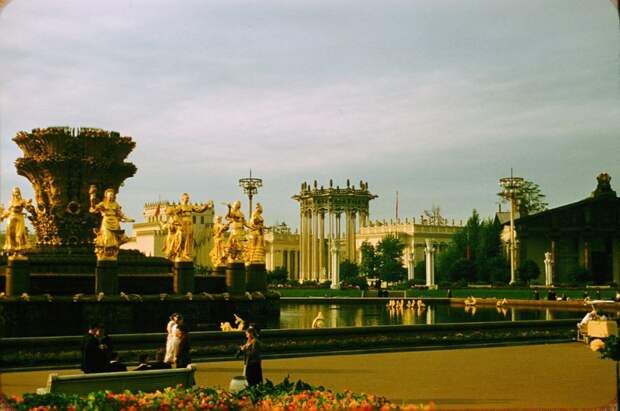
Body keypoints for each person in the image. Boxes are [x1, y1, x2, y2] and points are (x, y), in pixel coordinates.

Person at [89, 187, 134, 260]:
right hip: (106, 221)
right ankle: (105, 252)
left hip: (115, 222)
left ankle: (112, 253)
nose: (111, 197)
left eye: (112, 195)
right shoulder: (103, 204)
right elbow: (94, 208)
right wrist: (92, 199)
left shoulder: (115, 204)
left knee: (114, 239)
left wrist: (128, 219)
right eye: (110, 195)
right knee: (107, 237)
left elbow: (121, 214)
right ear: (106, 196)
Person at [173, 193, 213, 261]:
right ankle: (180, 253)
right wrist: (178, 222)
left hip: (190, 223)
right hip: (183, 223)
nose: (187, 199)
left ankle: (187, 254)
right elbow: (174, 214)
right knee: (183, 238)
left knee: (189, 238)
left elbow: (199, 210)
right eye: (186, 198)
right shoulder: (180, 207)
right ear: (182, 199)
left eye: (188, 198)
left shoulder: (190, 206)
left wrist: (206, 206)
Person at [0, 187, 35, 258]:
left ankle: (20, 252)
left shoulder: (22, 201)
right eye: (15, 192)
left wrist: (29, 206)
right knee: (11, 235)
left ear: (19, 192)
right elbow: (9, 211)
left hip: (19, 219)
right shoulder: (11, 202)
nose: (16, 193)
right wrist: (3, 216)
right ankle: (14, 253)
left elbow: (28, 208)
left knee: (19, 235)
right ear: (13, 193)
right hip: (11, 219)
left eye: (17, 192)